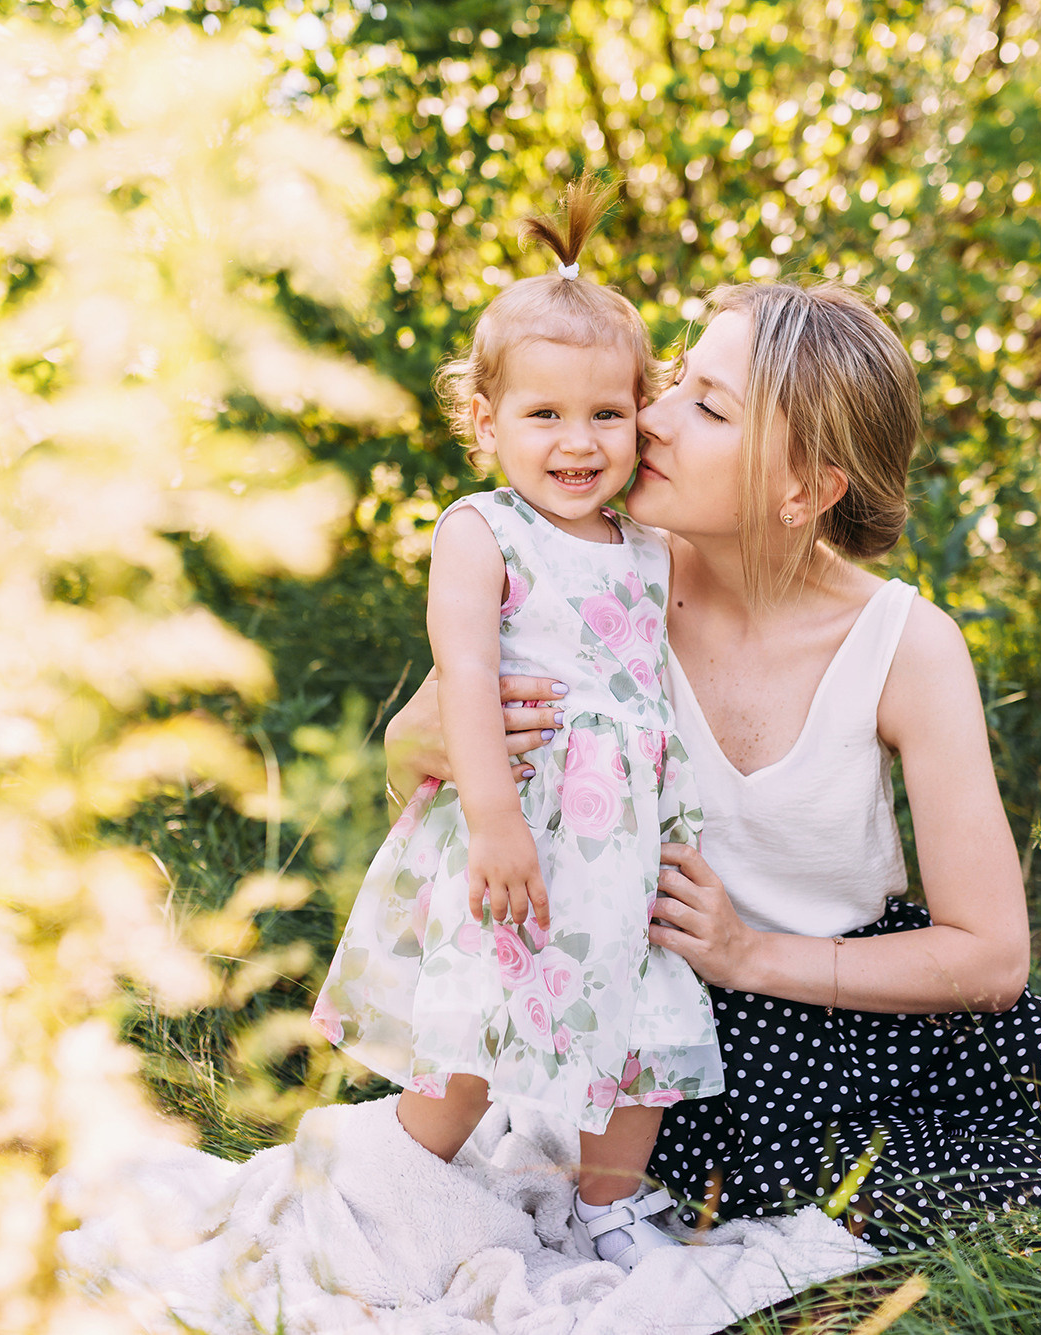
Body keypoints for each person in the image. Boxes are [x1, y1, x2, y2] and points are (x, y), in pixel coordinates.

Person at [381, 278, 1041, 1253]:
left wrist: (754, 952)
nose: (651, 415)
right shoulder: (588, 580)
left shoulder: (904, 645)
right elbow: (429, 772)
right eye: (673, 382)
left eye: (707, 406)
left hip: (884, 1000)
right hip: (722, 1051)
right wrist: (417, 753)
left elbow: (988, 958)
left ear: (801, 490)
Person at [310, 180, 721, 1270]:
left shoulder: (649, 545)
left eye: (606, 414)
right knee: (473, 1035)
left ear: (643, 415)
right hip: (523, 834)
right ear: (484, 421)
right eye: (543, 415)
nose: (577, 442)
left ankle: (608, 1203)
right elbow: (465, 674)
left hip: (625, 852)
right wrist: (493, 820)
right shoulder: (478, 531)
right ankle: (395, 1171)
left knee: (641, 1032)